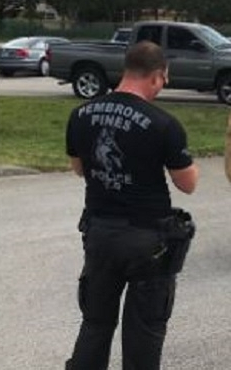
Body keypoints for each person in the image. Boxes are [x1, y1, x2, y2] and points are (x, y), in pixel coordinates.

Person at [64, 41, 199, 370]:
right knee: (144, 332)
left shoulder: (80, 114)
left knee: (95, 324)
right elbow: (187, 184)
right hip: (147, 239)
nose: (163, 85)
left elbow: (80, 168)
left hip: (100, 233)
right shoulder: (163, 123)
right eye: (164, 79)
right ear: (157, 75)